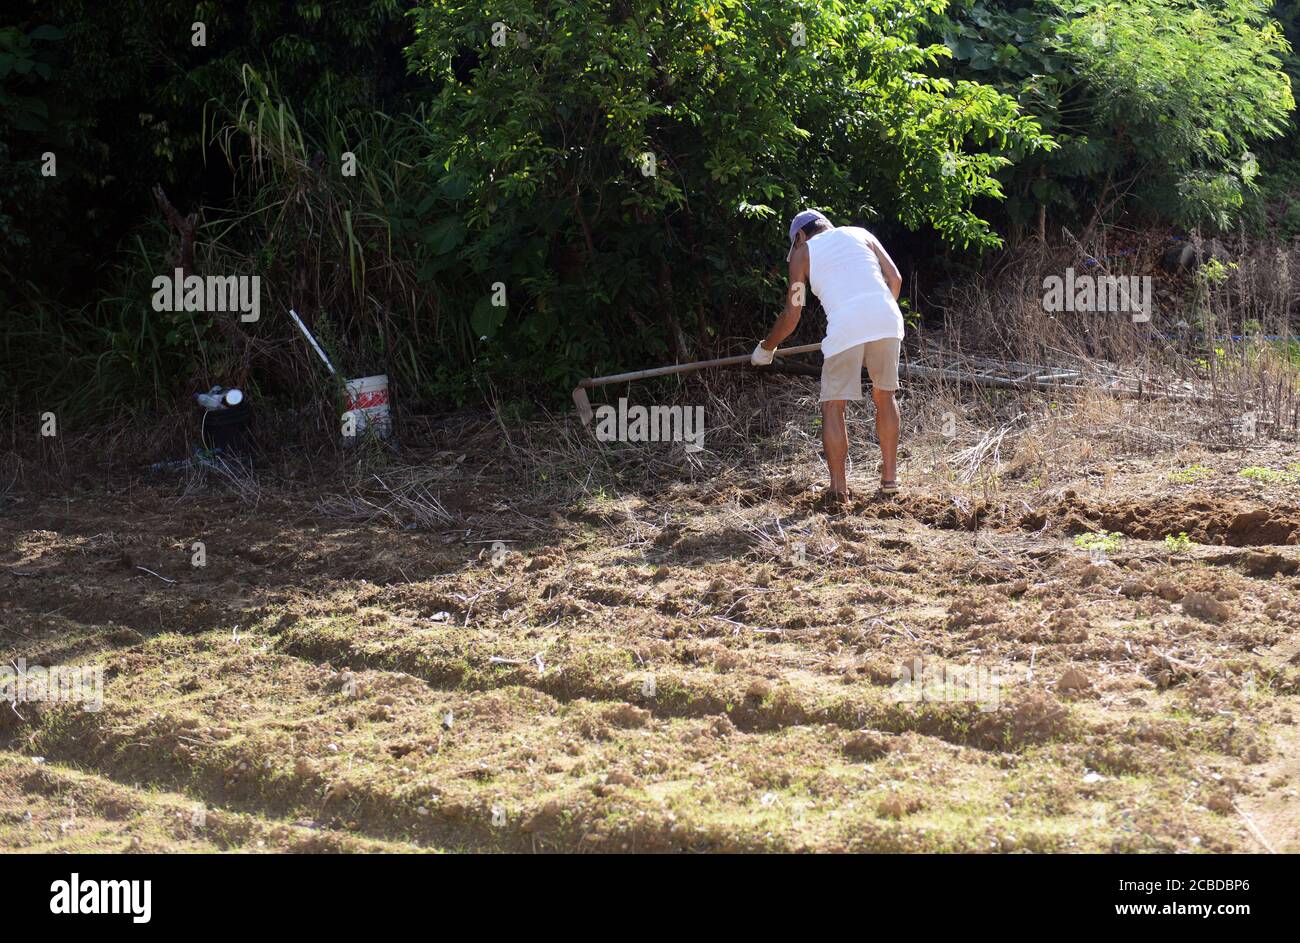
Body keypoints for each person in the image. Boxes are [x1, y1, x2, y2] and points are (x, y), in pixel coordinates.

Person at [752, 209, 904, 498]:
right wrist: (874, 315)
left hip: (846, 326)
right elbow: (895, 279)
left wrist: (766, 348)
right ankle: (890, 481)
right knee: (885, 396)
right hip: (887, 318)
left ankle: (838, 490)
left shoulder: (802, 253)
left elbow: (793, 313)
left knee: (833, 406)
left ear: (799, 235)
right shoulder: (862, 234)